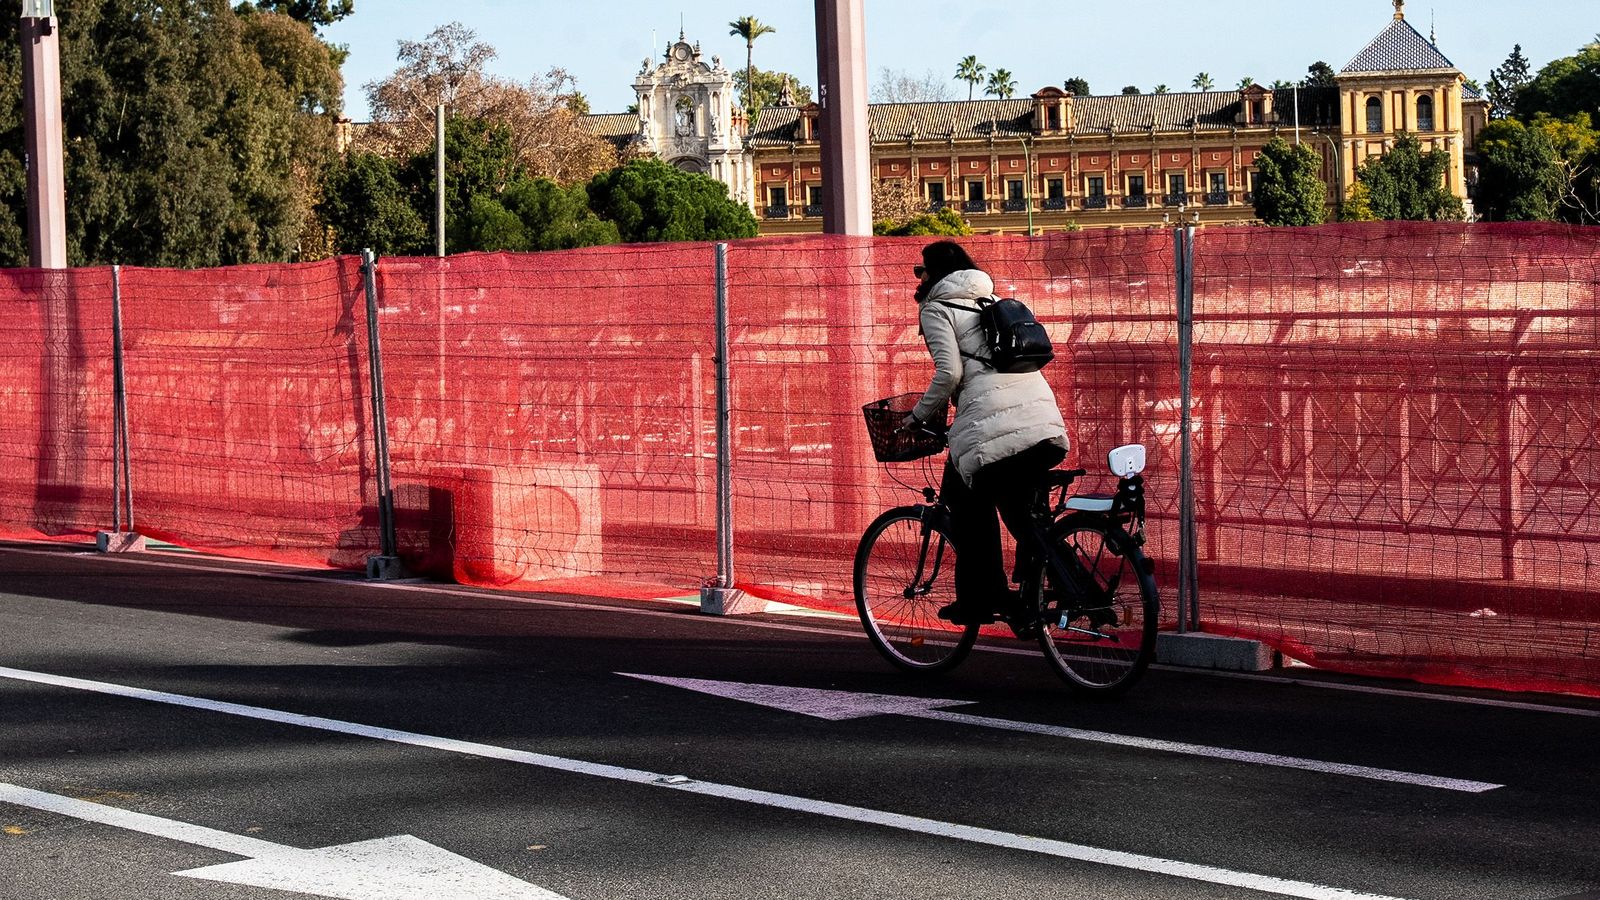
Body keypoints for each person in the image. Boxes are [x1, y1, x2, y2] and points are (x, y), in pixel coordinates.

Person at [901, 240, 1069, 629]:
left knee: (964, 502)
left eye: (920, 269)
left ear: (935, 272)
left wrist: (916, 416)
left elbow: (949, 374)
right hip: (1042, 419)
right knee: (1023, 516)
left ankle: (985, 599)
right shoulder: (988, 298)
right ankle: (1065, 589)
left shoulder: (936, 308)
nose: (918, 277)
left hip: (994, 426)